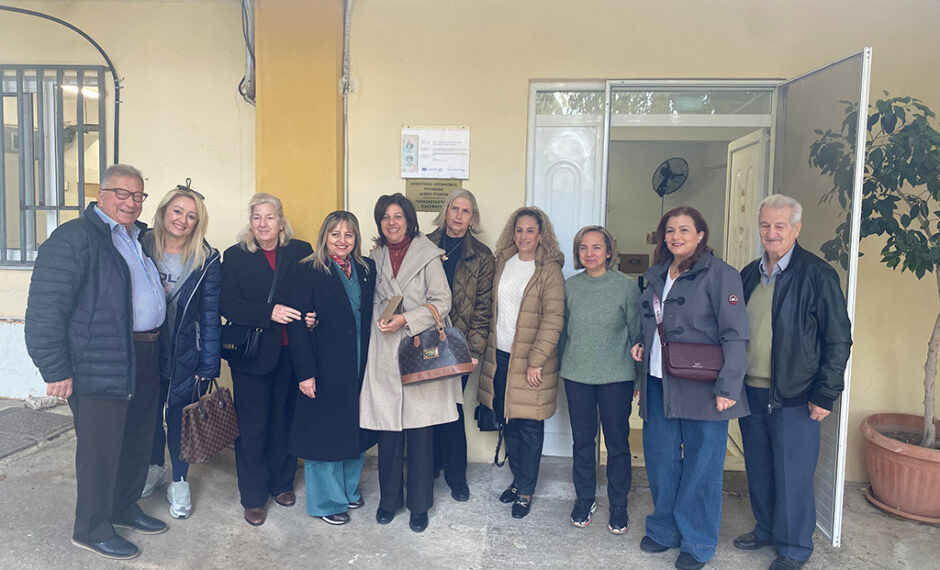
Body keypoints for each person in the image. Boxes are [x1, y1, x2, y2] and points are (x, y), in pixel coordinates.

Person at [25, 164, 168, 560]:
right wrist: (55, 369)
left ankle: (123, 507)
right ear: (101, 194)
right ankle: (91, 528)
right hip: (100, 361)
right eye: (122, 193)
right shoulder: (75, 238)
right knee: (100, 450)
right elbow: (45, 309)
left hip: (144, 354)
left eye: (138, 195)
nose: (131, 202)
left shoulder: (136, 238)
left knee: (137, 440)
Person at [734, 195, 852, 570]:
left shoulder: (817, 274)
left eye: (780, 226)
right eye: (765, 225)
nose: (771, 232)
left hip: (796, 395)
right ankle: (766, 529)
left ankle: (794, 547)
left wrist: (825, 393)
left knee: (793, 475)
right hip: (751, 391)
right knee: (759, 468)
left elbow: (838, 339)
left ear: (796, 229)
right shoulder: (749, 274)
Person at [631, 206, 749, 570]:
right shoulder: (657, 273)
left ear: (701, 234)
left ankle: (697, 541)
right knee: (660, 460)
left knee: (702, 466)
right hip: (657, 382)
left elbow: (736, 333)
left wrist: (728, 386)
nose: (676, 236)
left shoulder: (721, 275)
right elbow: (652, 322)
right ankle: (664, 529)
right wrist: (641, 344)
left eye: (684, 229)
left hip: (704, 385)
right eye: (670, 230)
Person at [359, 193, 463, 533]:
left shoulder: (428, 255)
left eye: (398, 216)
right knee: (389, 432)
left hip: (420, 350)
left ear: (409, 221)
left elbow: (442, 301)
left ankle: (420, 505)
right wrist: (384, 317)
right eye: (385, 217)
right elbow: (368, 301)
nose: (392, 222)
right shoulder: (373, 256)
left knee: (420, 435)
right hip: (384, 350)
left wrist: (406, 319)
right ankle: (389, 501)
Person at [220, 193, 312, 527]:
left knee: (284, 420)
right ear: (250, 221)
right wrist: (268, 312)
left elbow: (310, 294)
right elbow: (227, 304)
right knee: (253, 427)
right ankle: (253, 496)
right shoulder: (235, 256)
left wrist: (312, 315)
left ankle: (282, 484)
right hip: (253, 356)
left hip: (291, 353)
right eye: (257, 217)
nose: (263, 224)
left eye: (269, 217)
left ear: (281, 221)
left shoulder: (300, 252)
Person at [286, 211, 376, 526]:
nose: (342, 240)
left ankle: (348, 490)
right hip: (324, 364)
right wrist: (305, 374)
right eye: (335, 233)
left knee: (355, 430)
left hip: (360, 362)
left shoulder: (366, 268)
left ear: (356, 238)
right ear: (324, 236)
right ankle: (326, 502)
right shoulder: (308, 270)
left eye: (348, 234)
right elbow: (297, 325)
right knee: (324, 434)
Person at [139, 183, 221, 520]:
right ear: (163, 211)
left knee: (179, 418)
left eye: (191, 216)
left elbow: (211, 314)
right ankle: (154, 468)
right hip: (145, 349)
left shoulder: (206, 258)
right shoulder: (139, 244)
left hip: (185, 352)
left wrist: (209, 363)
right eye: (177, 211)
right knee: (148, 415)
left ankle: (180, 481)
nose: (183, 220)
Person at [478, 206, 565, 519]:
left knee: (529, 426)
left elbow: (554, 318)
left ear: (541, 235)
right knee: (508, 421)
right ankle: (517, 481)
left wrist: (536, 360)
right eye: (519, 230)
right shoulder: (504, 262)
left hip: (531, 362)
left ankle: (526, 490)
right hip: (500, 357)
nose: (524, 236)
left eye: (530, 230)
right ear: (512, 233)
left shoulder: (549, 270)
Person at [559, 225, 641, 534]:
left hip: (616, 377)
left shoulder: (626, 287)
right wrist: (561, 366)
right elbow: (562, 333)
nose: (589, 253)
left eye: (596, 247)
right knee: (583, 441)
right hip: (577, 375)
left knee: (617, 443)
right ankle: (585, 498)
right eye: (583, 247)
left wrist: (636, 381)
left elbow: (637, 335)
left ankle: (618, 503)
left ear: (609, 252)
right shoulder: (570, 287)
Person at [426, 189, 495, 502]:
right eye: (454, 208)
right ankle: (429, 468)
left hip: (459, 344)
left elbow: (483, 308)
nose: (458, 215)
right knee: (425, 408)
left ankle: (456, 477)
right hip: (425, 340)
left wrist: (474, 350)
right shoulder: (423, 244)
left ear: (473, 218)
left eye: (466, 211)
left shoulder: (482, 255)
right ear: (446, 211)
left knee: (451, 407)